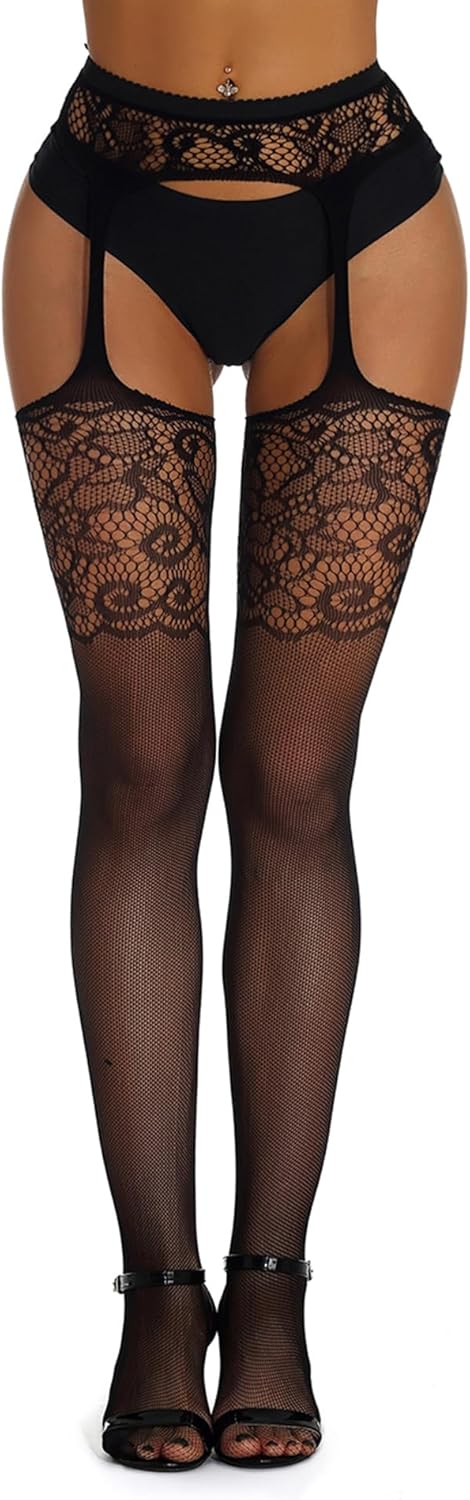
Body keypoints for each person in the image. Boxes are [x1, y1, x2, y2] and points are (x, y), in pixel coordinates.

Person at [2, 0, 466, 1473]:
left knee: (294, 777)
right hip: (107, 204)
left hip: (359, 211)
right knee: (137, 769)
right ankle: (158, 1290)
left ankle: (271, 1289)